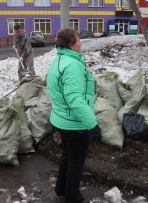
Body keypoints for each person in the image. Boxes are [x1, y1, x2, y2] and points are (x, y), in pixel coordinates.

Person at [46, 28, 102, 203]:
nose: (81, 43)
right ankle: (72, 197)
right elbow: (75, 99)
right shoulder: (72, 65)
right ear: (70, 44)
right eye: (78, 40)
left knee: (68, 156)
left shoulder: (58, 60)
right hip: (74, 123)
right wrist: (92, 125)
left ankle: (61, 188)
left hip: (61, 119)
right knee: (76, 162)